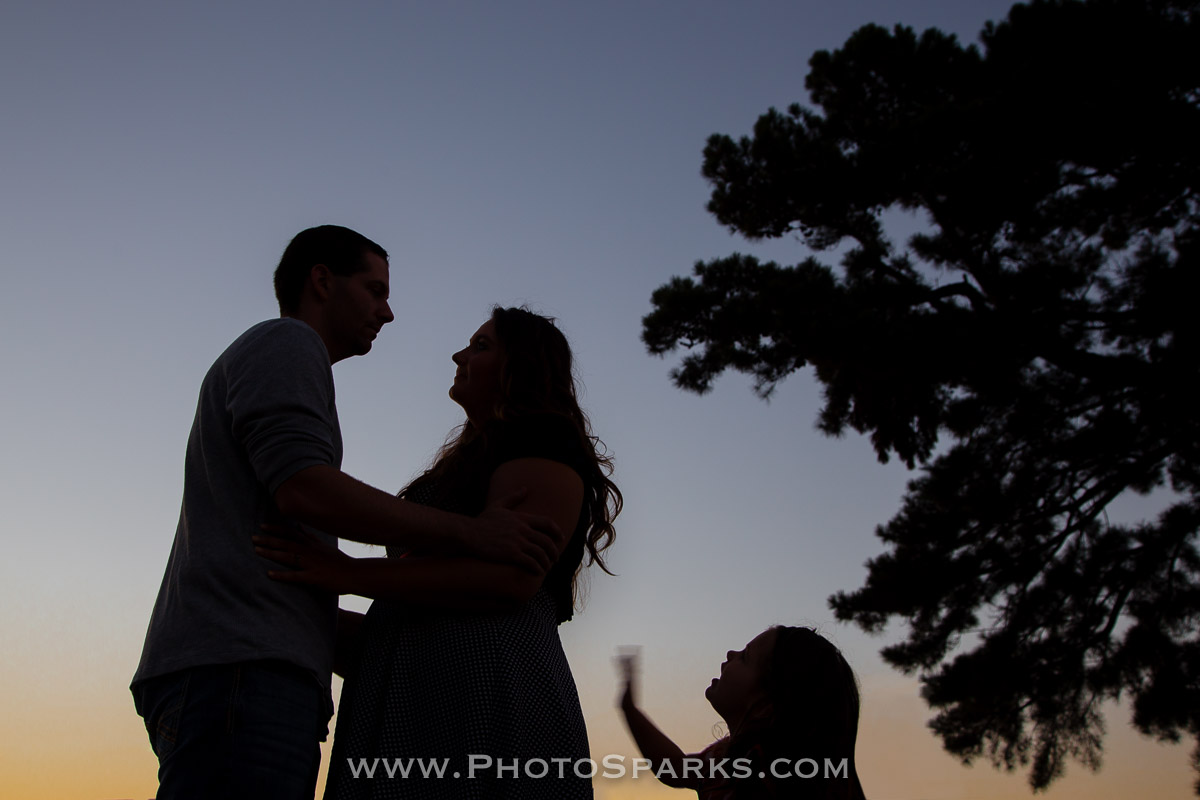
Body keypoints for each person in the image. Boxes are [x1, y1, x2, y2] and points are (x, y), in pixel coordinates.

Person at [130, 228, 560, 800]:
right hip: (244, 670)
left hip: (247, 670)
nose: (387, 312)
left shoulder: (291, 359)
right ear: (323, 280)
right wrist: (474, 533)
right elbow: (306, 490)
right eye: (374, 289)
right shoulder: (288, 343)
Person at [254, 305, 622, 799]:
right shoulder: (471, 461)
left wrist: (344, 573)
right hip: (419, 696)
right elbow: (408, 614)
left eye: (481, 346)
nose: (458, 355)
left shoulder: (542, 444)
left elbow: (507, 582)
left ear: (524, 368)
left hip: (487, 696)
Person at [618, 626, 867, 800]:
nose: (731, 654)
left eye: (746, 657)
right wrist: (630, 709)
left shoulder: (769, 778)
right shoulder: (724, 758)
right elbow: (675, 768)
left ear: (765, 707)